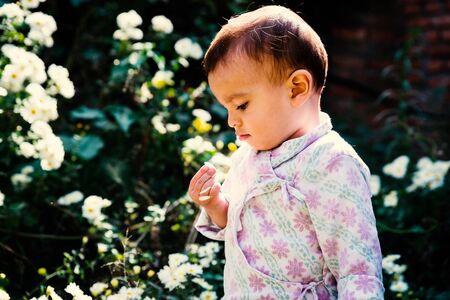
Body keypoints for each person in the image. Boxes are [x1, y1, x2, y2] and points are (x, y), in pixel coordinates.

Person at [188, 5, 384, 299]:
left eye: (241, 105)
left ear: (296, 88)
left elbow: (357, 269)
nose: (231, 120)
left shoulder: (330, 162)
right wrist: (215, 204)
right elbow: (239, 225)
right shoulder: (248, 156)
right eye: (226, 108)